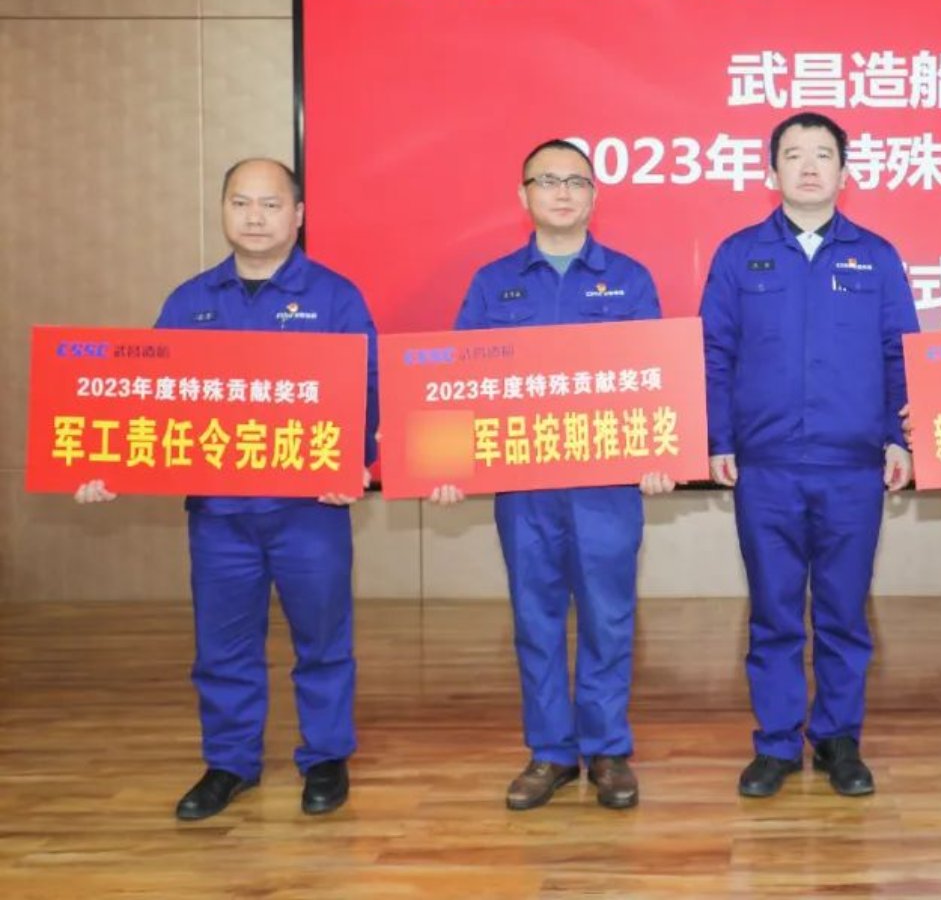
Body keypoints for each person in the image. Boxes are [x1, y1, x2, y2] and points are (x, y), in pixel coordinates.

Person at [77, 158, 378, 820]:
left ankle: (326, 757)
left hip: (309, 510)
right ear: (223, 212)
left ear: (298, 215)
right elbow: (150, 401)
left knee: (323, 639)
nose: (255, 217)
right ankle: (230, 762)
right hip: (220, 512)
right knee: (223, 646)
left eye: (271, 204)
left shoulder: (335, 298)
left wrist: (355, 462)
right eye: (241, 203)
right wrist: (109, 464)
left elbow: (368, 388)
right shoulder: (190, 301)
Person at [429, 139, 672, 812]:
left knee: (608, 619)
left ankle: (608, 750)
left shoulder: (630, 279)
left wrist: (661, 451)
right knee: (535, 619)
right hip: (526, 487)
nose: (562, 192)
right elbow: (458, 381)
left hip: (605, 486)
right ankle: (550, 753)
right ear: (523, 195)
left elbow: (656, 377)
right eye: (547, 180)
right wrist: (444, 462)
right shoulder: (493, 283)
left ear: (595, 195)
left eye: (576, 182)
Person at [700, 112, 917, 798]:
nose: (810, 166)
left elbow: (900, 353)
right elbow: (714, 352)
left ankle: (837, 740)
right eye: (794, 155)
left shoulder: (876, 256)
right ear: (772, 173)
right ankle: (775, 743)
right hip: (766, 467)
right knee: (774, 613)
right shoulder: (738, 255)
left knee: (843, 613)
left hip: (852, 466)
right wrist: (718, 439)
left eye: (824, 154)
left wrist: (901, 438)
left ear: (844, 173)